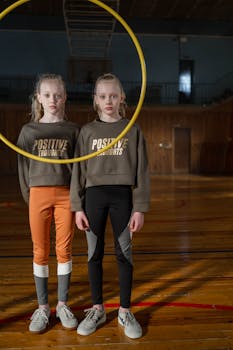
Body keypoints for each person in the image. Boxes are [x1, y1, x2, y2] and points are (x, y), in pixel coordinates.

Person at [70, 73, 150, 339]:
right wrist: (77, 207)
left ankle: (125, 310)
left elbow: (141, 172)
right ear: (95, 99)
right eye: (103, 96)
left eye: (113, 96)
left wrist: (139, 207)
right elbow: (77, 171)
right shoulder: (87, 131)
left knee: (124, 254)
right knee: (94, 254)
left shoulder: (132, 129)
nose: (108, 101)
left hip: (122, 198)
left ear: (122, 98)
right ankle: (97, 309)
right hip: (93, 197)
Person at [17, 73, 79, 333]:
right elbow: (23, 169)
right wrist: (30, 196)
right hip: (38, 195)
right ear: (38, 98)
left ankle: (62, 304)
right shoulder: (28, 131)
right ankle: (43, 307)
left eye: (57, 94)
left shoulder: (73, 130)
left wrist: (77, 199)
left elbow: (79, 168)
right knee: (40, 251)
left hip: (66, 194)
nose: (52, 99)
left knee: (64, 250)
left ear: (64, 97)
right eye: (47, 95)